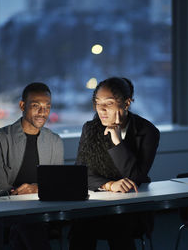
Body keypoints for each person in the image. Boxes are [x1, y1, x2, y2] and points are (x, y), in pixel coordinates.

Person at [69, 77, 160, 250]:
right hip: (96, 203)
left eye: (109, 103)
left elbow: (135, 176)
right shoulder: (90, 128)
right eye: (97, 103)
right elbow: (79, 174)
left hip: (130, 207)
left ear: (127, 104)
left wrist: (117, 142)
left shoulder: (147, 132)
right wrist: (109, 184)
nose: (101, 110)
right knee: (81, 226)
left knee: (118, 224)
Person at [0, 82, 64, 250]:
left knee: (28, 225)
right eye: (36, 106)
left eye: (47, 107)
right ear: (22, 105)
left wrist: (35, 188)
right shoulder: (1, 138)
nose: (42, 113)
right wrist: (22, 193)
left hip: (43, 211)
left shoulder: (55, 141)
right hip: (9, 208)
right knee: (28, 222)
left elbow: (58, 184)